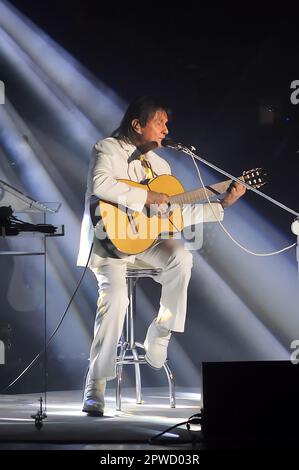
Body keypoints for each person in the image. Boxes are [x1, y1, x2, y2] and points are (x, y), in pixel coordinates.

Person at [77, 96, 246, 416]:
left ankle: (162, 330)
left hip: (146, 242)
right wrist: (146, 195)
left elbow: (174, 217)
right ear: (137, 125)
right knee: (115, 301)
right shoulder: (107, 149)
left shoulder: (162, 166)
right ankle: (95, 384)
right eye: (160, 122)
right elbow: (101, 184)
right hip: (108, 243)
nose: (167, 128)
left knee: (181, 256)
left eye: (167, 123)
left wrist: (221, 205)